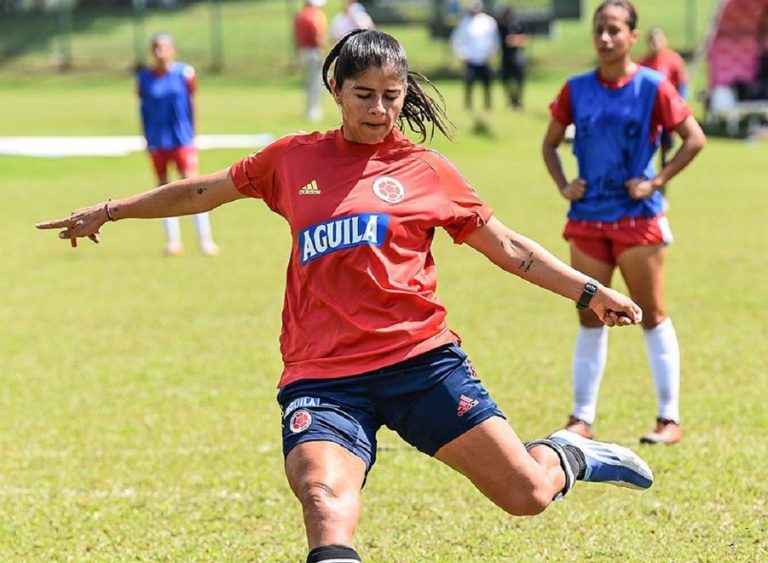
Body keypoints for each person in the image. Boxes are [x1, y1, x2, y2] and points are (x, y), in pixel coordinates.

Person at [39, 29, 655, 563]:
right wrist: (110, 210)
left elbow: (509, 247)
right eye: (364, 95)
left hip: (420, 363)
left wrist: (589, 291)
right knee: (323, 500)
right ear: (336, 89)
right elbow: (202, 191)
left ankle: (567, 454)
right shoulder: (292, 159)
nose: (379, 110)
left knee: (527, 495)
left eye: (392, 96)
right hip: (324, 375)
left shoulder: (426, 170)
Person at [541, 1, 706, 446]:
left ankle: (668, 419)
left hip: (637, 221)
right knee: (589, 317)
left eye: (614, 29)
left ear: (633, 36)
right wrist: (565, 185)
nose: (605, 37)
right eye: (599, 28)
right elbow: (549, 144)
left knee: (651, 314)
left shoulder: (653, 86)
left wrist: (656, 181)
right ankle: (581, 419)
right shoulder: (575, 89)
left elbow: (694, 138)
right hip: (587, 219)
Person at [137, 33, 219, 256]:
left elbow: (192, 104)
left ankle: (205, 239)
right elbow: (143, 109)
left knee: (193, 186)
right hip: (157, 140)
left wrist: (193, 135)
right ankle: (173, 241)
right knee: (163, 188)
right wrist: (146, 137)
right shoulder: (144, 78)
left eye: (164, 47)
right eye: (156, 48)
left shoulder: (184, 73)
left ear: (173, 50)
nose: (160, 52)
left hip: (181, 138)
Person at [638, 27, 688, 176]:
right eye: (652, 40)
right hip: (650, 113)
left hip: (668, 111)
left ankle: (664, 174)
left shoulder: (674, 60)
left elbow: (681, 85)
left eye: (658, 40)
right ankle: (648, 174)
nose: (655, 43)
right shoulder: (643, 63)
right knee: (648, 144)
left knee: (667, 146)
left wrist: (680, 107)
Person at [450, 0, 499, 117]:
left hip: (485, 58)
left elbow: (494, 39)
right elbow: (456, 41)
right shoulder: (464, 23)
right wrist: (463, 55)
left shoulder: (489, 22)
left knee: (487, 84)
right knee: (469, 83)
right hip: (471, 59)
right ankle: (468, 104)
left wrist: (491, 53)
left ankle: (488, 104)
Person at [294, 0, 329, 122]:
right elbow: (317, 33)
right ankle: (313, 113)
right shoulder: (315, 15)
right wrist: (323, 50)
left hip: (303, 50)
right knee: (316, 84)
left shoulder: (300, 15)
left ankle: (309, 111)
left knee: (309, 83)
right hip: (314, 51)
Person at [497, 7, 529, 110]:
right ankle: (511, 100)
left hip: (518, 58)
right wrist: (515, 40)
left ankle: (518, 101)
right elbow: (506, 41)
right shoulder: (501, 27)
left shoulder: (518, 25)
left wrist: (514, 40)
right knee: (506, 81)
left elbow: (525, 39)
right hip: (506, 58)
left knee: (519, 81)